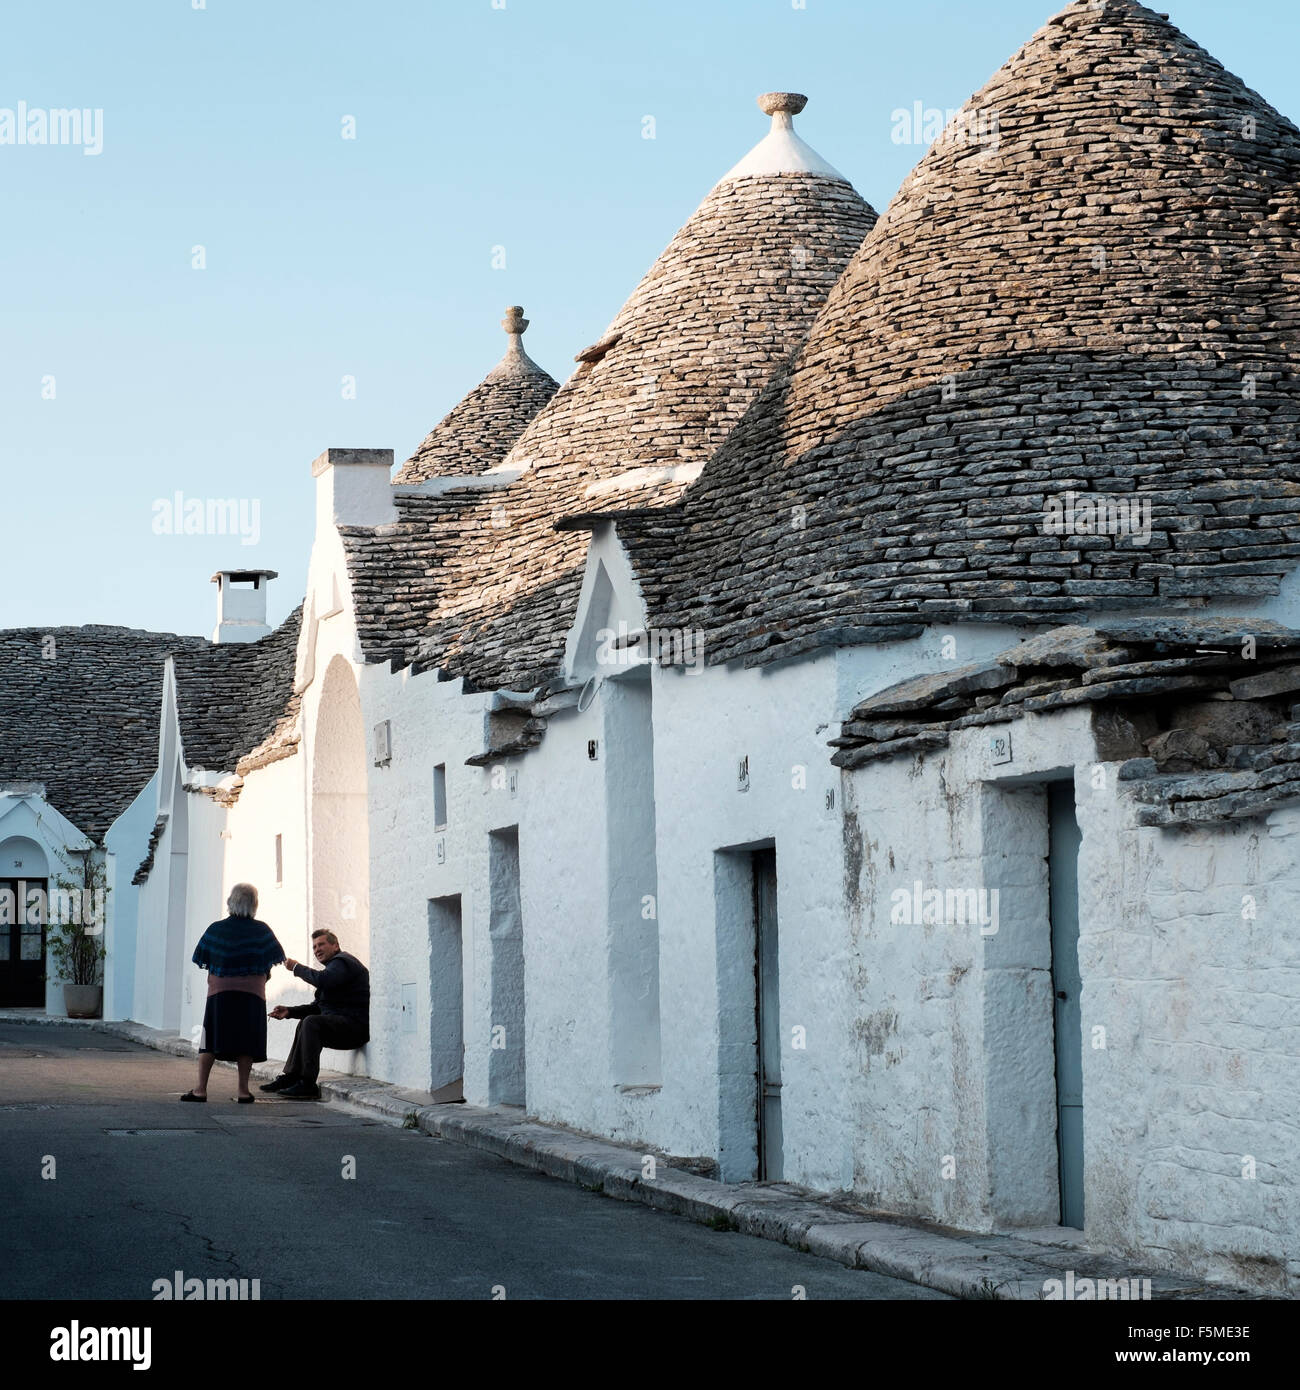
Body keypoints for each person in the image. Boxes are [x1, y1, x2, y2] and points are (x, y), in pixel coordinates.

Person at [182, 883, 285, 1103]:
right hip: (252, 993)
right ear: (254, 904)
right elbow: (273, 958)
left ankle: (200, 1089)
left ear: (230, 902)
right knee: (246, 1040)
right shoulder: (262, 931)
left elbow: (203, 957)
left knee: (209, 1039)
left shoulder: (216, 930)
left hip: (220, 993)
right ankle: (243, 1091)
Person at [260, 929, 370, 1100]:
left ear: (335, 946)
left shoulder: (343, 962)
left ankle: (307, 1083)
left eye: (321, 944)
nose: (317, 949)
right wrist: (289, 1011)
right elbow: (318, 1007)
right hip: (342, 1026)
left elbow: (321, 980)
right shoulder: (333, 970)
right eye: (314, 947)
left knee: (311, 1023)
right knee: (306, 1021)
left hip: (355, 1029)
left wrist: (296, 968)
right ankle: (292, 1076)